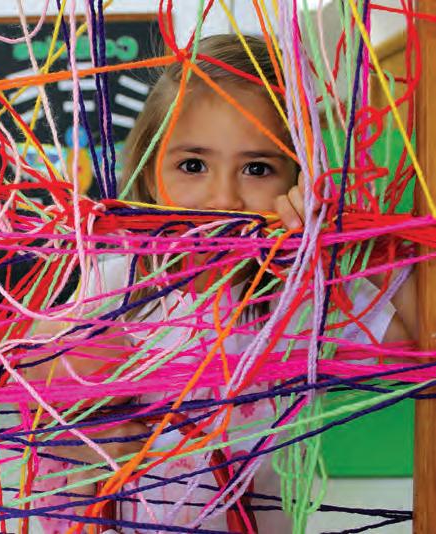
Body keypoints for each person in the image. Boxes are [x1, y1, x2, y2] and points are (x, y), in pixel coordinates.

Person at [24, 34, 417, 533]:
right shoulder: (123, 280)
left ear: (297, 180)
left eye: (257, 168)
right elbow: (31, 384)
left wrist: (346, 243)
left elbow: (416, 338)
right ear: (150, 175)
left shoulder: (305, 294)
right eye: (193, 165)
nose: (224, 197)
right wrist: (79, 436)